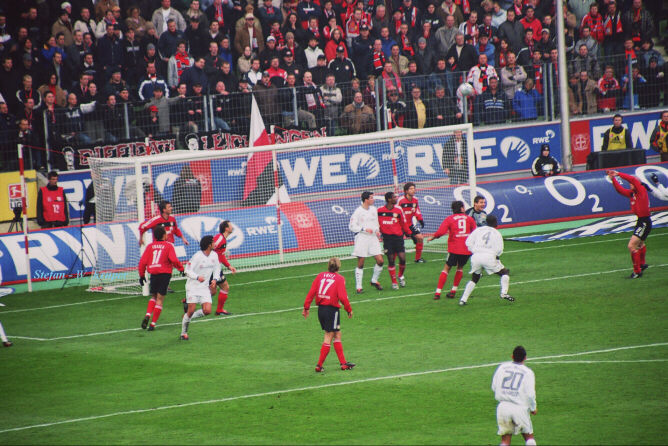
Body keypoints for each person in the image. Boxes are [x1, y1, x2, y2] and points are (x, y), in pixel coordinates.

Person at [302, 257, 355, 372]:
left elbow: (312, 292)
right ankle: (319, 365)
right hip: (332, 310)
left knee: (337, 333)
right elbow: (342, 297)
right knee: (329, 335)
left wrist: (306, 307)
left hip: (321, 310)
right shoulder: (340, 279)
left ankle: (343, 363)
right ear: (338, 267)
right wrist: (349, 309)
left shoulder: (320, 276)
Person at [458, 214, 514, 306]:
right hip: (489, 257)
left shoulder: (478, 230)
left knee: (475, 278)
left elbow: (468, 242)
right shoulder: (497, 233)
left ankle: (463, 300)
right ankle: (504, 293)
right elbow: (499, 250)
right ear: (495, 223)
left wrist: (474, 251)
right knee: (505, 272)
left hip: (476, 257)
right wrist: (495, 256)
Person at [138, 226, 185, 331]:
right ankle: (152, 324)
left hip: (153, 274)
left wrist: (141, 275)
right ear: (164, 235)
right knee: (160, 299)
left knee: (154, 297)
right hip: (164, 274)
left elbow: (142, 262)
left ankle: (148, 314)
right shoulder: (168, 245)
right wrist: (181, 269)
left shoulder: (150, 246)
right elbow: (174, 259)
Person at [428, 201, 476, 300]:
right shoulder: (469, 219)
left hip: (454, 248)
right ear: (461, 208)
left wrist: (433, 237)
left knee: (446, 269)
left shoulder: (450, 219)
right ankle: (453, 291)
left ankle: (438, 293)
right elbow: (475, 232)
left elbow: (441, 232)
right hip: (466, 249)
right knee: (460, 268)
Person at [607, 170, 651, 279]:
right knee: (640, 244)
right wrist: (613, 179)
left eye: (632, 183)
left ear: (637, 183)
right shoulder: (632, 193)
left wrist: (618, 174)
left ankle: (637, 272)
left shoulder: (641, 190)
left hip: (644, 222)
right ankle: (642, 264)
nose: (630, 184)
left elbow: (632, 179)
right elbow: (620, 190)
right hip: (641, 221)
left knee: (631, 246)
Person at [491, 345, 537, 446]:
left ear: (512, 356)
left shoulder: (502, 367)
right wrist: (533, 408)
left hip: (503, 407)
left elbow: (494, 387)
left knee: (505, 441)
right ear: (525, 358)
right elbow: (530, 394)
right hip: (519, 408)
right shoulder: (528, 372)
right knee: (529, 439)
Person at [180, 235, 220, 340]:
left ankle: (187, 315)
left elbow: (217, 269)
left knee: (207, 311)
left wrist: (215, 280)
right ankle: (183, 333)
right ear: (209, 245)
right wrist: (197, 277)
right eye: (213, 242)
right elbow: (187, 270)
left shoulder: (214, 255)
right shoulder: (197, 256)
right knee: (191, 310)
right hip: (192, 287)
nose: (215, 243)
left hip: (204, 288)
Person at [349, 191, 384, 293]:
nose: (373, 199)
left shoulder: (374, 209)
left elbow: (376, 223)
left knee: (380, 261)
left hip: (373, 238)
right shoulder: (358, 211)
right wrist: (364, 229)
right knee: (361, 263)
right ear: (366, 200)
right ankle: (359, 287)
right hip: (362, 238)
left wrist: (377, 230)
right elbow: (352, 226)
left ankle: (374, 280)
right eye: (371, 198)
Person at [377, 191, 411, 290]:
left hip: (398, 238)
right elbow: (375, 222)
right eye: (394, 197)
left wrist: (408, 232)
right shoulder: (379, 210)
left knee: (402, 259)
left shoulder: (398, 210)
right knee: (391, 260)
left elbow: (403, 222)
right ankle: (394, 282)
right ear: (389, 199)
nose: (396, 199)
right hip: (387, 239)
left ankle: (400, 276)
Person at [212, 220, 238, 315]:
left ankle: (189, 300)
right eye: (230, 226)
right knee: (224, 287)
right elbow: (210, 248)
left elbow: (221, 255)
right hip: (212, 267)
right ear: (226, 228)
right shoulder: (220, 238)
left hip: (215, 267)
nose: (232, 227)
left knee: (213, 291)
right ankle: (219, 310)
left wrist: (229, 266)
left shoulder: (223, 239)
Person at [398, 182, 426, 263]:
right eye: (411, 189)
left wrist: (420, 219)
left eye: (414, 188)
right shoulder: (401, 200)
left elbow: (417, 210)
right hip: (399, 225)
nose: (413, 190)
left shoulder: (415, 200)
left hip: (409, 224)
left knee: (420, 238)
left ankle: (418, 259)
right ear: (406, 191)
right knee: (398, 244)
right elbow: (395, 210)